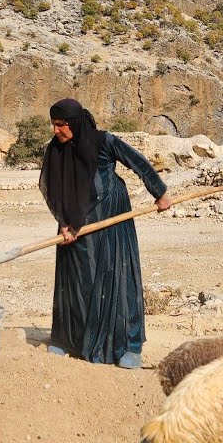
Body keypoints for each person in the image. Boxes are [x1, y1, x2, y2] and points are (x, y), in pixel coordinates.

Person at [39, 98, 173, 369]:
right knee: (74, 280)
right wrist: (63, 222)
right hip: (71, 225)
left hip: (110, 218)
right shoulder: (55, 150)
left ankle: (128, 346)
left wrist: (159, 193)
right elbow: (51, 188)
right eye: (53, 125)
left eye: (61, 125)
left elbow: (137, 162)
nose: (56, 130)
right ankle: (68, 340)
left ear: (74, 122)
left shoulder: (104, 142)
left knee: (117, 278)